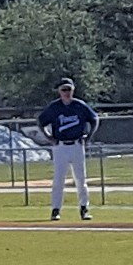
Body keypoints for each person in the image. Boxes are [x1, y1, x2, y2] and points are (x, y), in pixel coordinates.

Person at [40, 78, 98, 221]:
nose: (66, 93)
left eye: (69, 89)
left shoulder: (79, 106)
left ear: (73, 90)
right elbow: (41, 121)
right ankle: (55, 209)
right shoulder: (54, 107)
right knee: (59, 180)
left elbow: (94, 119)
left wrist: (88, 137)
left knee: (80, 179)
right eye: (63, 90)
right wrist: (49, 138)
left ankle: (84, 208)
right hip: (60, 146)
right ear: (59, 91)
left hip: (77, 145)